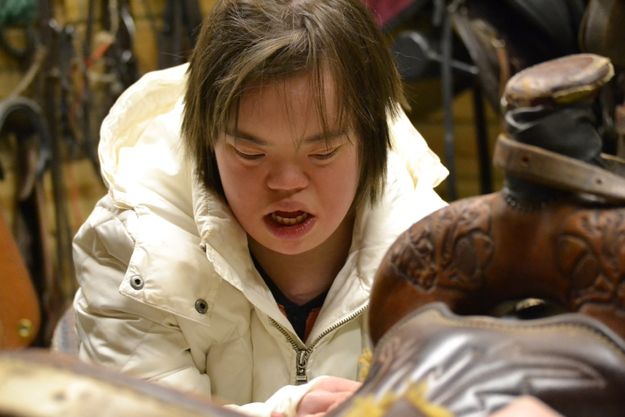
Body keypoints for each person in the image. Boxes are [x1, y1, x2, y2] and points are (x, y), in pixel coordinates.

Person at [71, 1, 447, 416]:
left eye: (322, 152)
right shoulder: (131, 251)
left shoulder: (433, 254)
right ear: (206, 139)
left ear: (371, 140)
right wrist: (288, 411)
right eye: (249, 152)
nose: (286, 182)